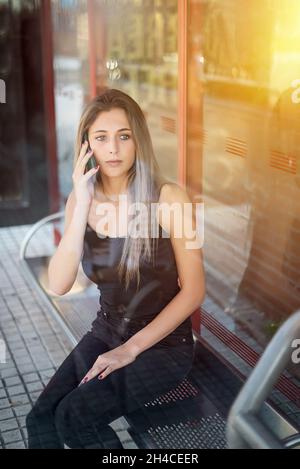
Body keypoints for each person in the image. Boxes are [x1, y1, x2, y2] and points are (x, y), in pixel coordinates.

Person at [25, 88, 205, 449]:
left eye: (124, 136)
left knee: (75, 417)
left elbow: (195, 290)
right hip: (106, 331)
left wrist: (130, 349)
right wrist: (81, 202)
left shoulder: (169, 198)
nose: (113, 149)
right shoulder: (83, 197)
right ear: (86, 144)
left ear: (138, 140)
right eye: (101, 138)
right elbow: (60, 284)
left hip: (164, 346)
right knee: (41, 419)